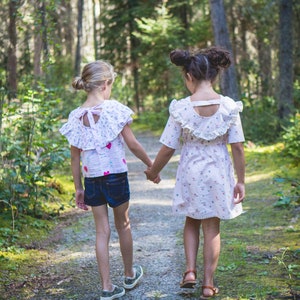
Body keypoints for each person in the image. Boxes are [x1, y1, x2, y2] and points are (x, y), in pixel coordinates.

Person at [145, 47, 245, 299]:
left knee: (191, 220)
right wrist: (240, 181)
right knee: (212, 227)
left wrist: (153, 171)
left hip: (191, 171)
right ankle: (208, 285)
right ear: (213, 76)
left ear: (189, 76)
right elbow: (238, 148)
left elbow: (168, 148)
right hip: (218, 172)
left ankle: (190, 271)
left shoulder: (181, 108)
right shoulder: (229, 107)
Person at [60, 60, 159, 300]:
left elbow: (75, 159)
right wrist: (151, 165)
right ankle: (128, 274)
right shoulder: (114, 110)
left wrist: (78, 188)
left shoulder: (75, 117)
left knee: (101, 232)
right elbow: (133, 144)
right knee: (123, 224)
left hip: (92, 180)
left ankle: (106, 287)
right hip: (116, 177)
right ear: (106, 84)